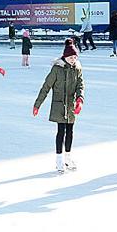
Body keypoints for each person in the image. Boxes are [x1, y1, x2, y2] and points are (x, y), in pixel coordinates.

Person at [33, 39, 85, 174]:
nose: (73, 60)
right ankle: (59, 160)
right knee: (61, 132)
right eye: (71, 57)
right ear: (65, 57)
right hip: (59, 105)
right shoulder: (57, 69)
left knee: (70, 132)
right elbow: (46, 87)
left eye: (75, 57)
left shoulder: (77, 69)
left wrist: (80, 99)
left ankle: (68, 157)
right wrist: (37, 104)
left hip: (71, 105)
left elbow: (80, 85)